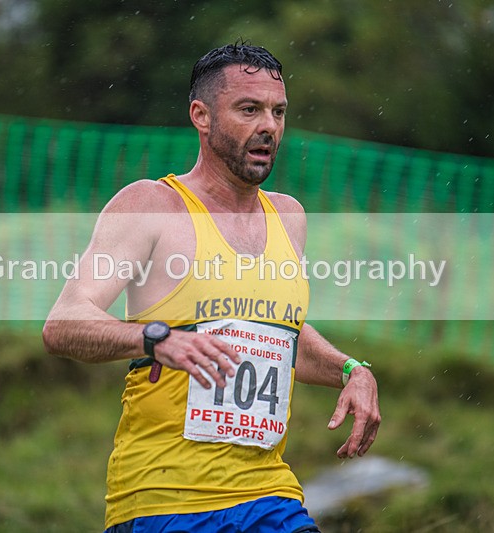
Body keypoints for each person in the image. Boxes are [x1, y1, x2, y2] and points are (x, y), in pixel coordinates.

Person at [43, 42, 381, 533]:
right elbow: (63, 323)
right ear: (201, 116)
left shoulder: (289, 218)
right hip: (165, 496)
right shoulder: (152, 205)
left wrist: (352, 371)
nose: (269, 126)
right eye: (249, 110)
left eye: (278, 112)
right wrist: (156, 338)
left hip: (268, 493)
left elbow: (281, 336)